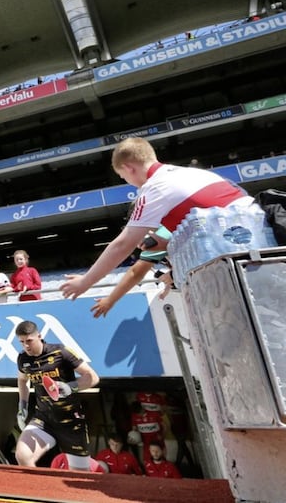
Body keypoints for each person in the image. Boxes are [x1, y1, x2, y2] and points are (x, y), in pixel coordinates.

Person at [61, 136, 255, 300]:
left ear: (128, 168)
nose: (128, 182)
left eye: (122, 176)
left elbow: (123, 244)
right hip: (257, 246)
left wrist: (85, 282)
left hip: (237, 268)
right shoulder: (195, 173)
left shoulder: (153, 189)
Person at [14, 320, 100, 472]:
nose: (26, 346)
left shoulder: (61, 352)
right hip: (44, 419)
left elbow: (92, 377)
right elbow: (22, 380)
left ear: (39, 336)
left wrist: (70, 387)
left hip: (71, 422)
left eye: (29, 341)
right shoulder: (23, 359)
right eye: (22, 342)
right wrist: (23, 405)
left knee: (79, 477)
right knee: (22, 455)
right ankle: (36, 491)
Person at [90, 226, 173, 318]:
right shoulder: (164, 230)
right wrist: (167, 288)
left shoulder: (155, 242)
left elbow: (134, 273)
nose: (135, 245)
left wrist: (109, 300)